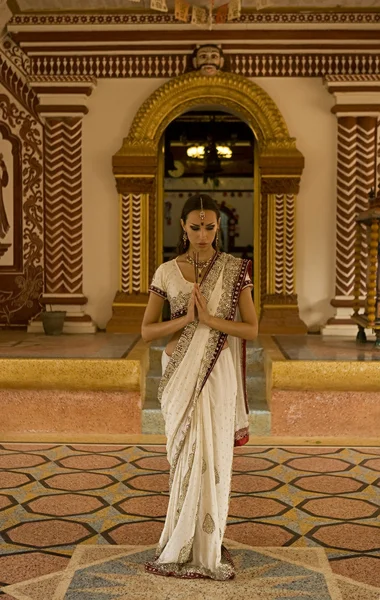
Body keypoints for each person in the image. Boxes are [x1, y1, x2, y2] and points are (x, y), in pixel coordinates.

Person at [141, 193, 258, 580]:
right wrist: (186, 319)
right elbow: (146, 332)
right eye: (196, 227)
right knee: (184, 456)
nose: (203, 234)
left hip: (217, 370)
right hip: (178, 369)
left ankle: (209, 538)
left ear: (218, 227)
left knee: (215, 453)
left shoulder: (235, 269)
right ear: (183, 227)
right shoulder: (166, 272)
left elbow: (252, 329)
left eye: (210, 227)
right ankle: (180, 534)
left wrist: (209, 319)